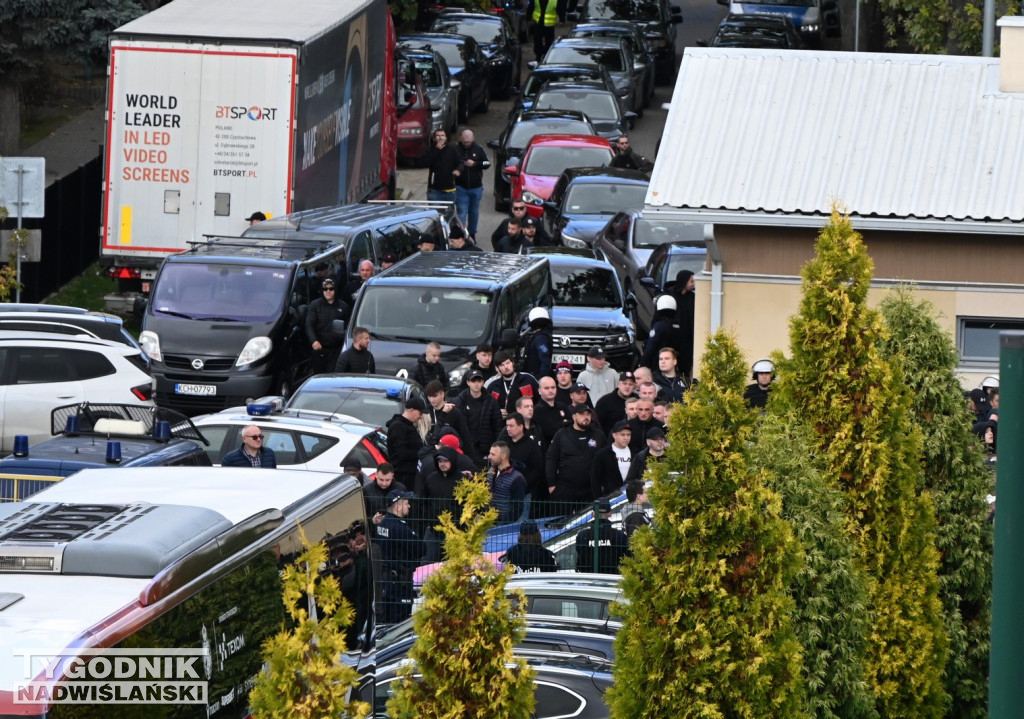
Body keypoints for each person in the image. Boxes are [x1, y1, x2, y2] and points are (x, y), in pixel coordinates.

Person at [546, 403, 607, 514]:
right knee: (560, 522)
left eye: (588, 414)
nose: (586, 417)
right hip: (565, 487)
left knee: (588, 523)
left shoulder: (598, 435)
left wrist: (602, 484)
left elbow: (605, 462)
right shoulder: (562, 434)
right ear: (574, 416)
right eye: (582, 414)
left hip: (589, 489)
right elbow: (551, 459)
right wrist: (551, 485)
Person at [374, 490, 424, 623]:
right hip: (400, 583)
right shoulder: (400, 528)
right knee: (400, 622)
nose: (409, 506)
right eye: (406, 503)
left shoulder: (382, 524)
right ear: (397, 506)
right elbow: (421, 549)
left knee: (387, 619)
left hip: (387, 581)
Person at [418, 445, 469, 562]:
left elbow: (469, 505)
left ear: (452, 461)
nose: (442, 464)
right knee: (427, 565)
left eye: (445, 461)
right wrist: (428, 521)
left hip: (456, 532)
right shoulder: (431, 478)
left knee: (456, 567)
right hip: (434, 531)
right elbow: (423, 501)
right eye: (440, 461)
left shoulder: (462, 480)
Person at [500, 412, 546, 518]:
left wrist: (522, 483)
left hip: (524, 493)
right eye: (507, 426)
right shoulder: (503, 443)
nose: (508, 429)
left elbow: (538, 469)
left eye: (511, 426)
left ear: (521, 426)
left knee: (520, 524)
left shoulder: (532, 445)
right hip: (504, 492)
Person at [454, 368, 504, 463]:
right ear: (468, 382)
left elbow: (498, 426)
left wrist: (495, 449)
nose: (476, 384)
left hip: (485, 449)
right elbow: (455, 426)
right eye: (473, 381)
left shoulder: (491, 401)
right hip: (465, 448)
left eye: (479, 380)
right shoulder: (460, 401)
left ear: (483, 382)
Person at [305, 277, 351, 374]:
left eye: (331, 288)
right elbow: (309, 324)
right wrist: (313, 340)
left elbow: (349, 328)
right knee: (319, 377)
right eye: (325, 289)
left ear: (335, 289)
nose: (328, 291)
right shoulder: (315, 305)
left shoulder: (344, 307)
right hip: (320, 348)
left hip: (337, 350)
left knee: (334, 377)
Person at [574, 497, 631, 574]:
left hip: (588, 580)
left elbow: (580, 560)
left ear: (593, 514)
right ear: (610, 514)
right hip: (613, 580)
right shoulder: (619, 535)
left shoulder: (582, 536)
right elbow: (627, 558)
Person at [453, 129, 490, 241]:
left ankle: (472, 233)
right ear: (460, 138)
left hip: (476, 187)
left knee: (474, 212)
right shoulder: (455, 150)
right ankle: (462, 235)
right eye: (465, 142)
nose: (467, 144)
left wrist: (475, 164)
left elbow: (487, 163)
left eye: (469, 142)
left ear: (473, 139)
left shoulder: (479, 149)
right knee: (462, 212)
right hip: (461, 187)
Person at [386, 397, 427, 487]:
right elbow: (402, 452)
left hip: (410, 472)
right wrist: (421, 453)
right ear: (411, 410)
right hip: (403, 474)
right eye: (420, 413)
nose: (421, 416)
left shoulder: (407, 425)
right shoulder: (398, 427)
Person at [485, 350, 539, 418]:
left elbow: (540, 400)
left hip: (526, 422)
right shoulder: (493, 386)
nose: (506, 367)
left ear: (512, 363)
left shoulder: (527, 379)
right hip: (503, 425)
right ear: (497, 368)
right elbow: (486, 408)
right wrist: (496, 412)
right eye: (502, 365)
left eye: (508, 363)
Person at [423, 379, 472, 451]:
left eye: (434, 396)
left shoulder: (454, 412)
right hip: (431, 452)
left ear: (442, 394)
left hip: (452, 453)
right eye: (429, 396)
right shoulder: (426, 412)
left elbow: (465, 437)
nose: (431, 400)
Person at [641, 294, 687, 370]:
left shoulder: (659, 326)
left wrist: (643, 364)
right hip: (674, 364)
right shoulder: (678, 325)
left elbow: (651, 346)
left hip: (659, 365)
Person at [416, 128, 461, 204]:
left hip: (449, 189)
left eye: (442, 135)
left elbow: (460, 162)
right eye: (438, 136)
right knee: (435, 213)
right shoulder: (430, 150)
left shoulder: (453, 149)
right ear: (434, 139)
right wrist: (437, 150)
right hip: (435, 190)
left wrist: (458, 170)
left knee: (448, 214)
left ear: (446, 138)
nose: (440, 138)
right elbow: (423, 163)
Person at [590, 420, 632, 498]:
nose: (626, 438)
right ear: (614, 435)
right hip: (610, 497)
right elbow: (595, 479)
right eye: (622, 435)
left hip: (631, 497)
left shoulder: (635, 453)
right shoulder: (603, 454)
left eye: (628, 435)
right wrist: (599, 500)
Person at [487, 441, 527, 523]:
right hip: (488, 520)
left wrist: (506, 522)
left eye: (493, 454)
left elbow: (518, 507)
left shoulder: (517, 478)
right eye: (490, 453)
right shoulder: (490, 471)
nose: (489, 457)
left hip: (503, 524)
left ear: (503, 456)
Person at [670, 270, 696, 380]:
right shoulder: (671, 296)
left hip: (687, 340)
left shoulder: (692, 297)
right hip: (673, 338)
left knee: (685, 367)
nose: (693, 283)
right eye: (691, 281)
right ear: (684, 282)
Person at [534, 375, 570, 447]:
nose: (550, 390)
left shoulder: (563, 406)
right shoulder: (537, 410)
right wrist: (564, 423)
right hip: (548, 449)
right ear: (539, 391)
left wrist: (559, 424)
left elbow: (572, 425)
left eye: (553, 387)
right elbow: (550, 432)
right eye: (546, 388)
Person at [522, 307, 553, 379]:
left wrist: (542, 379)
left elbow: (545, 360)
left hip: (536, 378)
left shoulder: (540, 339)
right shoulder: (538, 337)